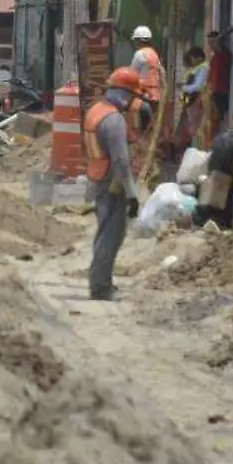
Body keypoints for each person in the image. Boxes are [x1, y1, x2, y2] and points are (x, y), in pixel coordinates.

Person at [83, 67, 143, 302]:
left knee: (104, 231)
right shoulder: (114, 119)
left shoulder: (96, 111)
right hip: (111, 181)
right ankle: (100, 287)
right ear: (123, 93)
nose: (132, 101)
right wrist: (132, 194)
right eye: (131, 95)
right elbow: (120, 160)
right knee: (111, 234)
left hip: (97, 176)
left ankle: (102, 281)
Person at [208, 29, 233, 133]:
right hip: (214, 91)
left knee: (222, 118)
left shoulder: (225, 55)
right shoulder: (214, 57)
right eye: (209, 43)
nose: (210, 45)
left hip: (223, 91)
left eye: (212, 42)